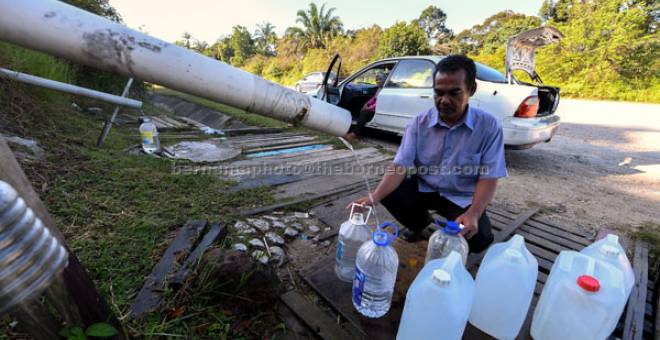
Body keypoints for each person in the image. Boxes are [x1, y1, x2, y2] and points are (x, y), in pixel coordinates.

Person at [347, 55, 507, 253]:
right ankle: (419, 224)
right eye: (438, 93)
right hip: (426, 187)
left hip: (461, 196)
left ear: (471, 90)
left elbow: (489, 176)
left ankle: (465, 219)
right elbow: (400, 166)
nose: (444, 100)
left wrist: (474, 213)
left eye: (454, 93)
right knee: (390, 193)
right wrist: (374, 196)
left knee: (479, 240)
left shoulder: (489, 127)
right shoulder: (418, 123)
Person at [344, 71, 387, 142]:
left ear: (384, 80)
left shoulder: (385, 89)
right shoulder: (379, 88)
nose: (377, 81)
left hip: (378, 108)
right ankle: (354, 131)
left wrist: (369, 108)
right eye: (376, 79)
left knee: (365, 113)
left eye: (379, 79)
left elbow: (380, 102)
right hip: (373, 107)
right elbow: (374, 98)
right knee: (359, 108)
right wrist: (366, 104)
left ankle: (353, 135)